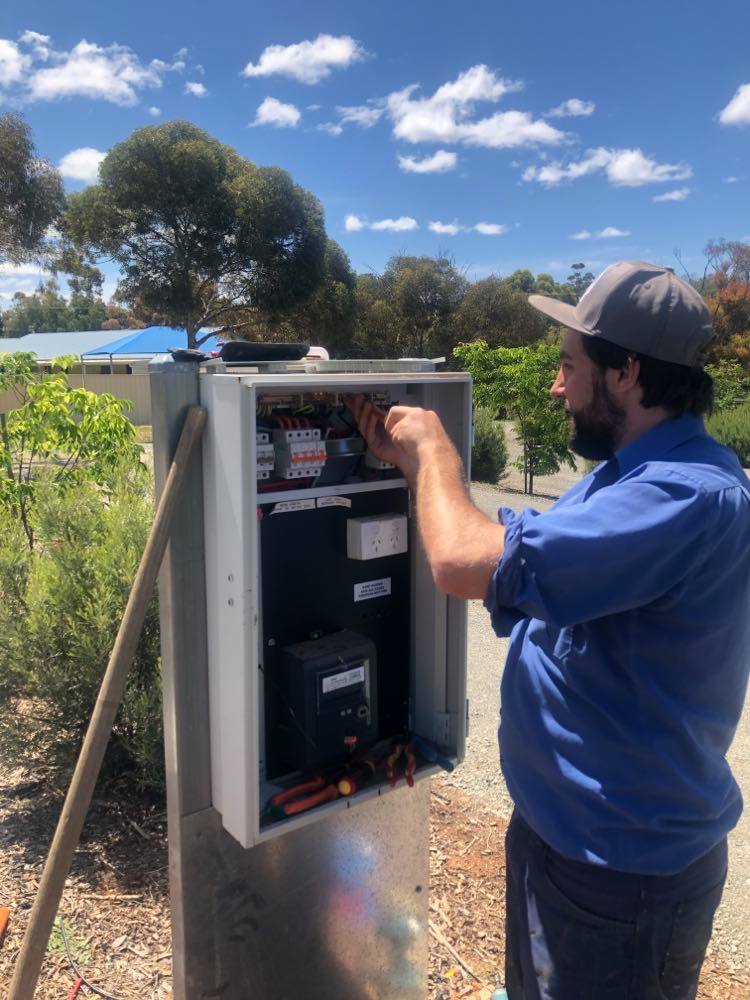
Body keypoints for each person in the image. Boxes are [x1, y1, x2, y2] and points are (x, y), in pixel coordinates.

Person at [349, 261, 750, 1000]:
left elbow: (464, 563)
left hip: (622, 881)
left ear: (627, 372)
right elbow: (518, 550)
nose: (555, 387)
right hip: (566, 846)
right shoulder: (627, 476)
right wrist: (414, 471)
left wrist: (436, 456)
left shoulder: (686, 496)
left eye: (569, 366)